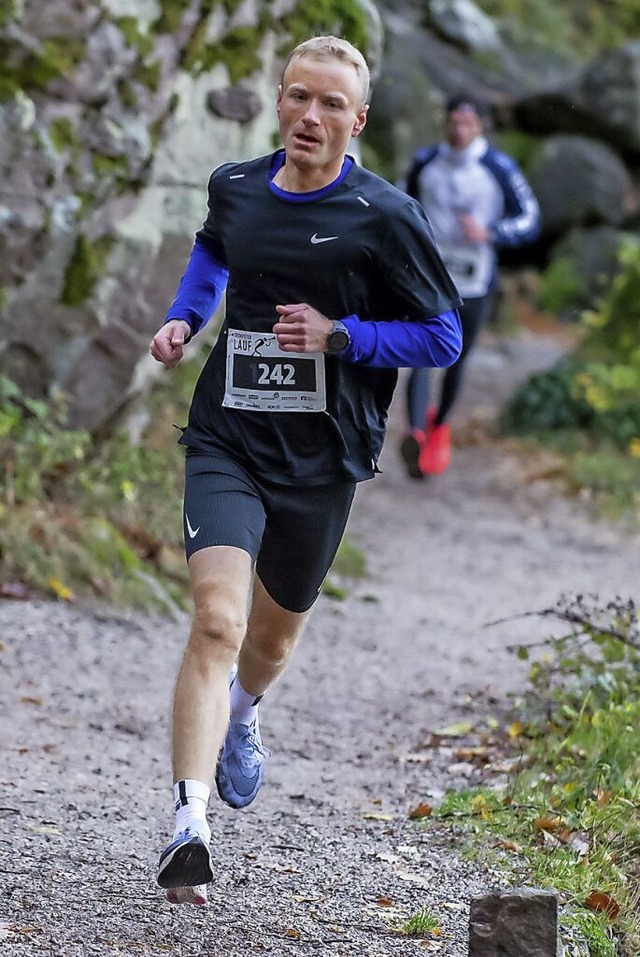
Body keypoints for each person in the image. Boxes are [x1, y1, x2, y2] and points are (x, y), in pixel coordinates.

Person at [149, 34, 463, 906]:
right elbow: (216, 250)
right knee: (217, 619)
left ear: (356, 121)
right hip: (229, 438)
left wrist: (344, 336)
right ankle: (188, 825)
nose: (310, 116)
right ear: (278, 102)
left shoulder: (386, 215)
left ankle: (243, 718)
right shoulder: (237, 186)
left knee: (269, 641)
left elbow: (443, 335)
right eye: (298, 96)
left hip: (324, 458)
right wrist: (185, 318)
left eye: (330, 104)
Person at [399, 94, 540, 478]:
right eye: (454, 122)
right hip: (430, 275)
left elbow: (530, 219)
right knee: (421, 356)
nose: (459, 130)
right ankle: (414, 434)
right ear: (446, 123)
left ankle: (438, 426)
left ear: (481, 127)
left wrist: (491, 232)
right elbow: (398, 204)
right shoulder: (427, 161)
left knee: (457, 359)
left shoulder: (498, 167)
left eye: (468, 123)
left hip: (476, 280)